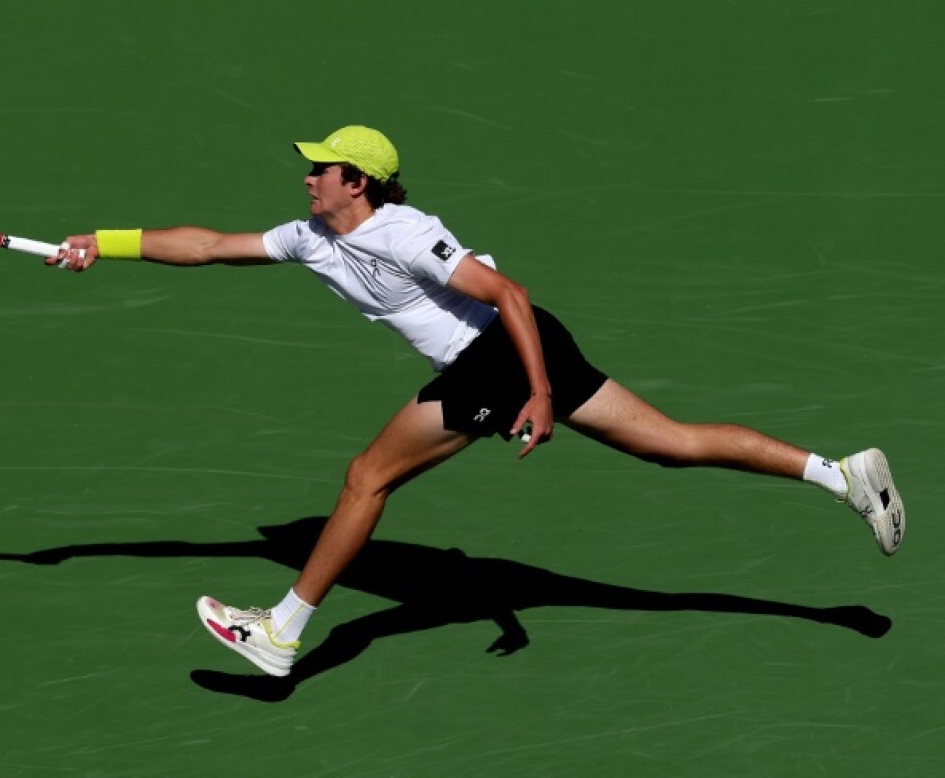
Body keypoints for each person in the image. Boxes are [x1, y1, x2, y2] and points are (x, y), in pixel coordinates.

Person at [50, 125, 905, 679]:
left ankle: (279, 632)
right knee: (670, 444)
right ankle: (841, 475)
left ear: (359, 182)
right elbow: (205, 246)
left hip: (496, 361)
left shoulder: (404, 230)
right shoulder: (312, 237)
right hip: (514, 358)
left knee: (364, 480)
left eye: (322, 168)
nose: (308, 176)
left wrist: (535, 391)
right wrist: (104, 242)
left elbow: (512, 295)